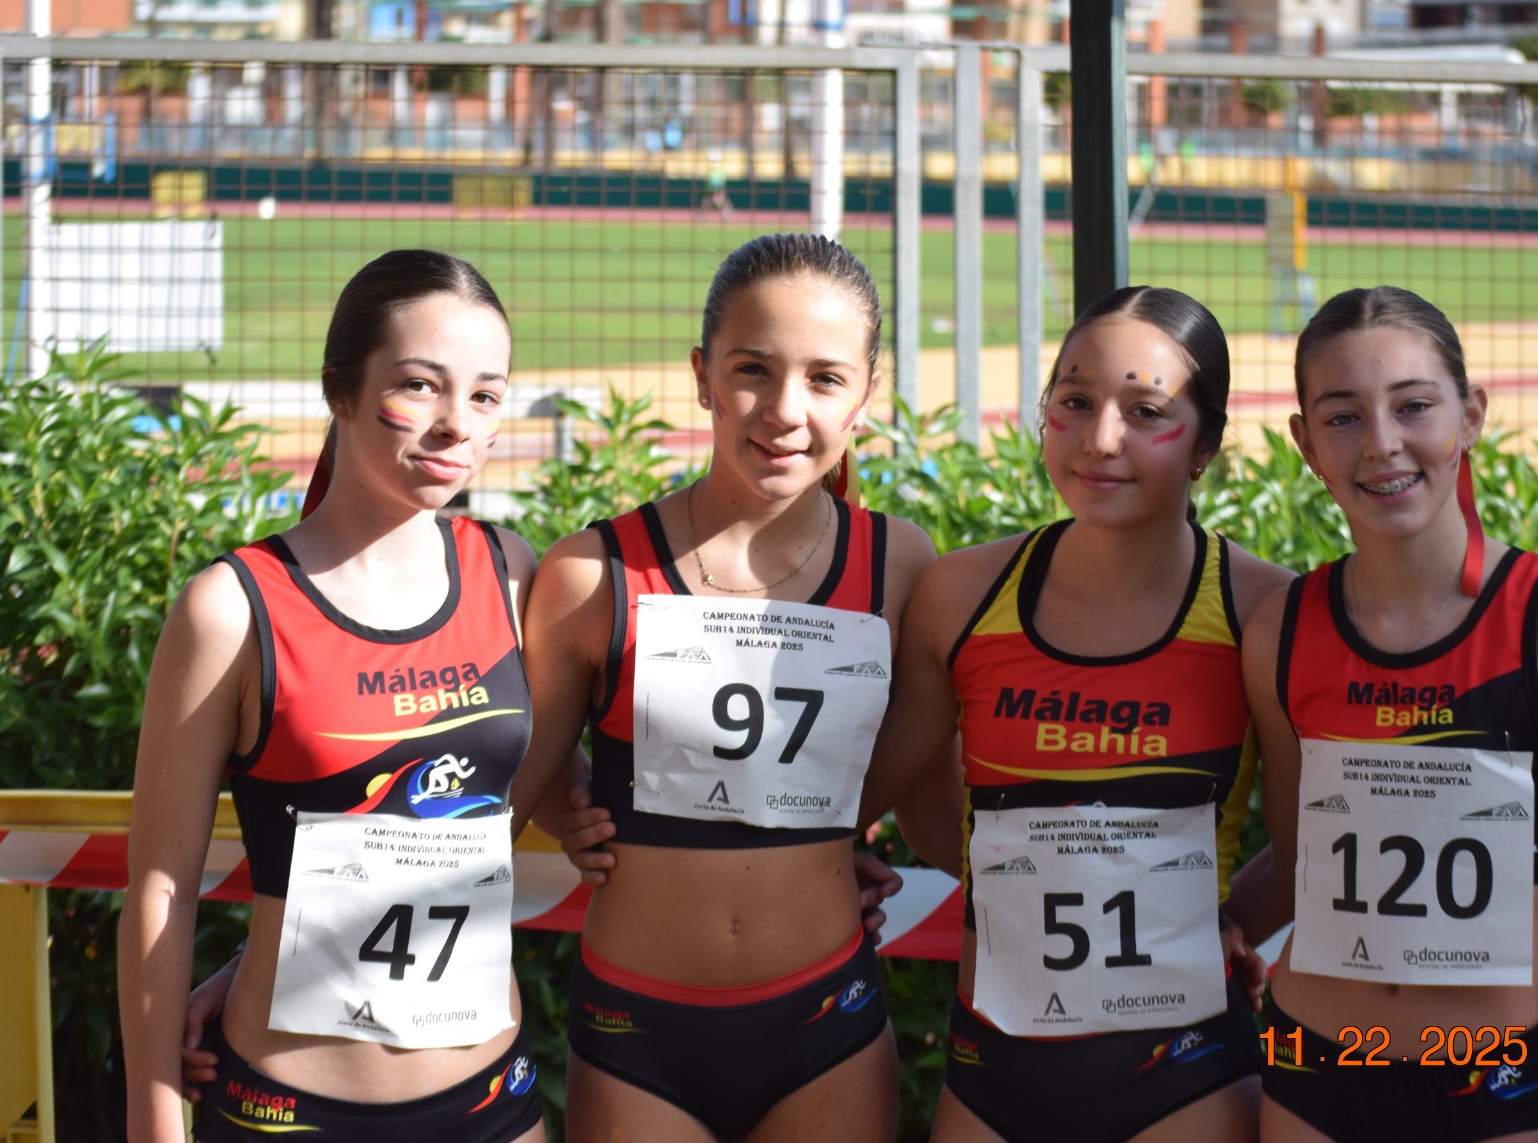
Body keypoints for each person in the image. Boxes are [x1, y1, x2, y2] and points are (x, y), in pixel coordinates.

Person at [510, 233, 938, 1142]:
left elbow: (923, 780)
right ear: (702, 375)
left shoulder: (901, 567)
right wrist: (570, 802)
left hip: (826, 1020)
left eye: (825, 378)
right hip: (637, 1030)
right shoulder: (591, 575)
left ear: (868, 393)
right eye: (753, 370)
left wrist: (823, 835)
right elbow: (502, 786)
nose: (785, 410)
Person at [120, 251, 550, 1142]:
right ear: (339, 391)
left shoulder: (511, 573)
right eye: (420, 385)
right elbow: (162, 885)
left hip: (490, 1103)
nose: (455, 424)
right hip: (288, 1109)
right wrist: (152, 1112)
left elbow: (519, 788)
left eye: (485, 395)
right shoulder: (231, 609)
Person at [860, 286, 1296, 1143]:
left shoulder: (1264, 612)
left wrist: (1226, 921)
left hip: (1186, 1074)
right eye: (1075, 401)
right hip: (994, 1068)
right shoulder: (961, 595)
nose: (1101, 439)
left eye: (1146, 412)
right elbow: (906, 790)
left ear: (1206, 445)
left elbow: (1310, 839)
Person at [1245, 286, 1538, 1143]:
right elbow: (1299, 864)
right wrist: (1194, 931)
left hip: (1503, 1082)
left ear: (1471, 416)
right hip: (1311, 1074)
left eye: (1413, 406)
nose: (1382, 442)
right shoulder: (1280, 632)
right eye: (1342, 417)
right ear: (1305, 444)